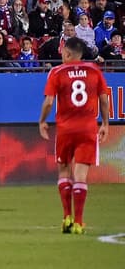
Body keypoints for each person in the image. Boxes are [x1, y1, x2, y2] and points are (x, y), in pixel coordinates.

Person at [38, 36, 110, 234]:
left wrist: (42, 121)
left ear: (68, 53)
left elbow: (49, 102)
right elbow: (103, 99)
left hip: (65, 129)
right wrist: (105, 123)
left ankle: (66, 217)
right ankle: (79, 222)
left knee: (63, 172)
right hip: (88, 130)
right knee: (80, 176)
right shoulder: (95, 70)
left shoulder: (56, 72)